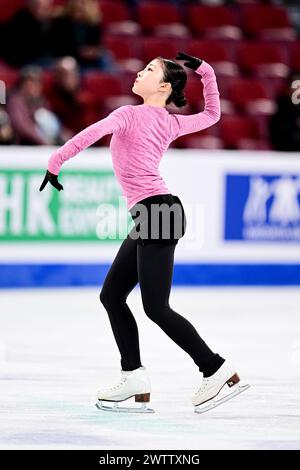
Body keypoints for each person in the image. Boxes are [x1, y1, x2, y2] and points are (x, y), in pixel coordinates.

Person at [39, 52, 246, 413]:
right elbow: (212, 114)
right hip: (156, 213)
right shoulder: (168, 121)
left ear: (164, 86)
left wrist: (54, 164)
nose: (139, 71)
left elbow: (87, 136)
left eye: (149, 69)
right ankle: (134, 375)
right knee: (112, 295)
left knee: (156, 307)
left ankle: (215, 369)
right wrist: (208, 73)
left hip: (158, 212)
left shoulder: (128, 115)